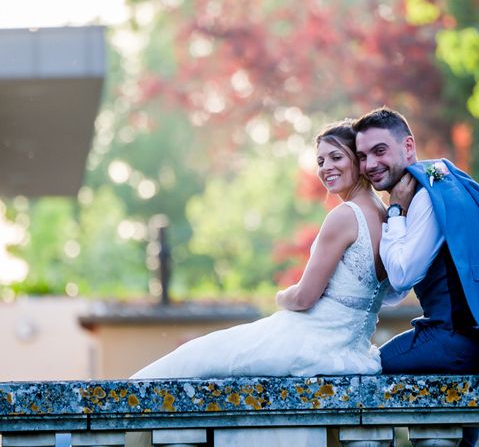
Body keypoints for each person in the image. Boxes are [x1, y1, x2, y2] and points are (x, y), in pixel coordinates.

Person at [353, 107, 479, 446]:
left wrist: (396, 212)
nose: (370, 164)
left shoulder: (425, 198)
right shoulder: (438, 182)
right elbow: (395, 293)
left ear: (408, 147)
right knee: (459, 438)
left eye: (379, 151)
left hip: (453, 339)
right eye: (361, 156)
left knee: (362, 371)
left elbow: (401, 277)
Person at [130, 119, 389, 380]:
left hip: (310, 342)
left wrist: (280, 297)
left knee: (194, 357)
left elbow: (303, 298)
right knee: (200, 353)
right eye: (320, 161)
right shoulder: (381, 212)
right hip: (350, 348)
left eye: (336, 157)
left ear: (358, 159)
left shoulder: (344, 216)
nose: (326, 168)